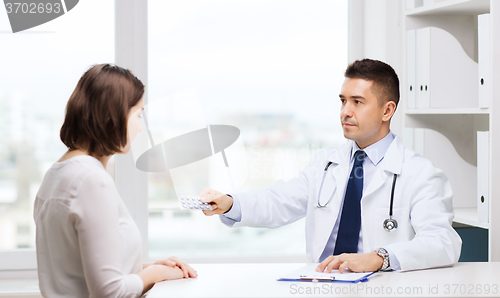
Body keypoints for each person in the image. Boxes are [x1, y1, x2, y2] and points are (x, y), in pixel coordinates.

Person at [200, 59, 462, 273]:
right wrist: (231, 203)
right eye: (343, 100)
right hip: (321, 284)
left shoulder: (420, 173)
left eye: (357, 102)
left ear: (387, 111)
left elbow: (443, 241)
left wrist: (380, 258)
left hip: (382, 288)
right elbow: (279, 201)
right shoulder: (325, 163)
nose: (345, 111)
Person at [34, 64, 197, 298]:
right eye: (138, 115)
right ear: (114, 115)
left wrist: (149, 268)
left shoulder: (58, 172)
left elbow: (80, 273)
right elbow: (109, 292)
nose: (140, 128)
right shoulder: (90, 180)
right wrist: (155, 275)